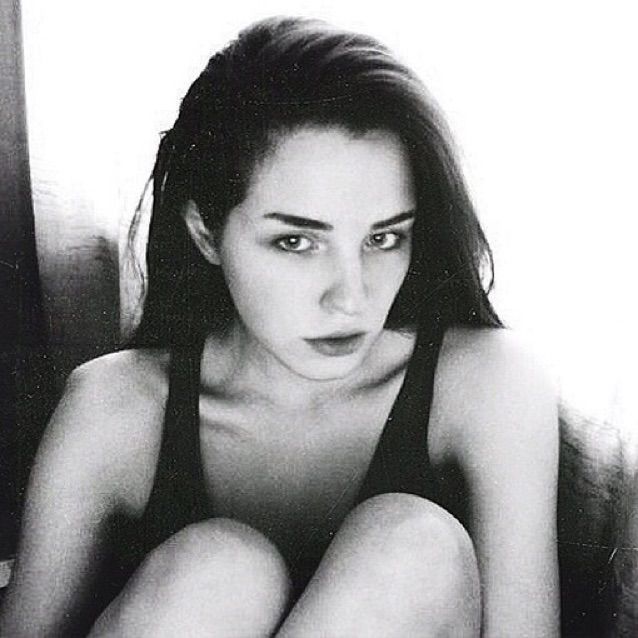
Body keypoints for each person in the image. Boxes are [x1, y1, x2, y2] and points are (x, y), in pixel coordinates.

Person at [0, 16, 563, 636]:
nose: (351, 299)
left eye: (383, 238)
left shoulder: (487, 386)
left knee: (411, 548)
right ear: (205, 232)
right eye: (296, 241)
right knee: (217, 570)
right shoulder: (117, 407)